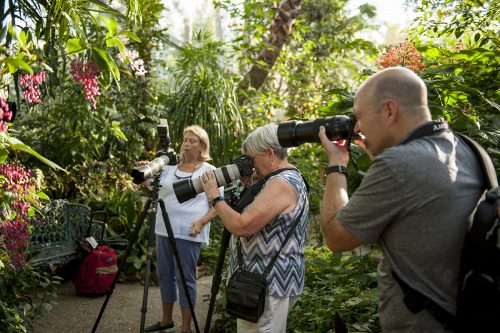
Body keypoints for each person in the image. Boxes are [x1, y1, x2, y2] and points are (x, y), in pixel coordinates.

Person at [318, 67, 483, 332]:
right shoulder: (468, 148)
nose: (357, 128)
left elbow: (336, 237)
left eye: (359, 117)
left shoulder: (398, 165)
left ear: (389, 110)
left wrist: (337, 164)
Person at [200, 124, 309, 333]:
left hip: (266, 285)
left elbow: (241, 226)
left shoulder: (280, 183)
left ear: (269, 154)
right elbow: (252, 215)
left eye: (252, 159)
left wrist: (214, 195)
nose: (250, 165)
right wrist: (247, 186)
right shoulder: (281, 178)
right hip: (265, 283)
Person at [144, 125, 220, 333]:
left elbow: (219, 206)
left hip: (189, 232)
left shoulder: (209, 171)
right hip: (163, 229)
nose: (186, 144)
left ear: (202, 146)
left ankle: (186, 327)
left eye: (192, 141)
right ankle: (166, 320)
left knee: (185, 278)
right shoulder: (169, 167)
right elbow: (153, 188)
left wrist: (202, 222)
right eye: (185, 140)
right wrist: (144, 173)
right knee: (164, 275)